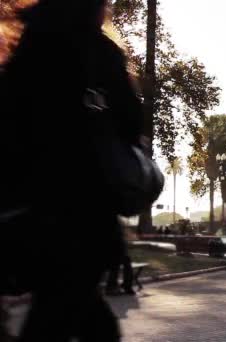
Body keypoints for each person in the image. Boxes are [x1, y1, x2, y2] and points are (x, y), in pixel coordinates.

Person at [0, 0, 145, 340]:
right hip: (80, 212)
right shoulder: (97, 51)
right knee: (66, 312)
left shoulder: (24, 49)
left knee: (79, 312)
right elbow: (131, 121)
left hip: (27, 211)